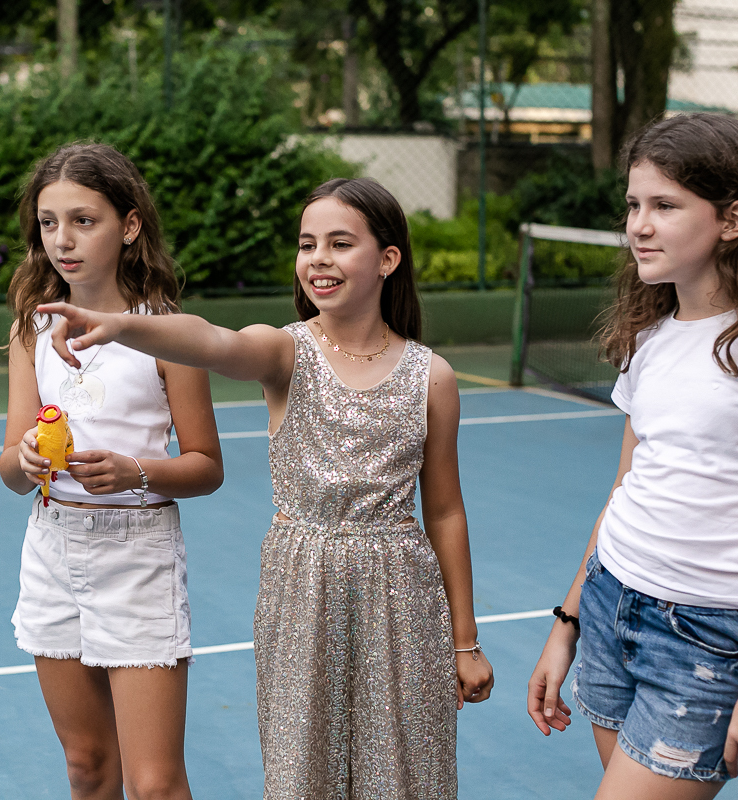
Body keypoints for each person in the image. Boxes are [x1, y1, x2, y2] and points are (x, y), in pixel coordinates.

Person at [38, 177, 494, 799]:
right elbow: (213, 342)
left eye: (340, 243)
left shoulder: (431, 375)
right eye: (307, 245)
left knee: (407, 775)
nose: (319, 260)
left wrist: (463, 639)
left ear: (388, 260)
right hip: (301, 591)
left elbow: (444, 511)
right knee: (302, 775)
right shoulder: (287, 353)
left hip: (402, 599)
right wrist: (120, 326)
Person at [527, 113, 738, 798]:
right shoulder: (649, 338)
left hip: (705, 637)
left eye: (665, 206)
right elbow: (625, 492)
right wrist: (568, 622)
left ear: (733, 219)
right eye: (633, 205)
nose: (638, 225)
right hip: (613, 603)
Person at [0, 142, 224, 800]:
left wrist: (136, 471)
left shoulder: (169, 333)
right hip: (51, 549)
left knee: (153, 784)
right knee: (87, 766)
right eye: (48, 223)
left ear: (129, 227)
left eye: (83, 220)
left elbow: (206, 467)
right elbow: (10, 468)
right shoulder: (30, 332)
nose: (62, 240)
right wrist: (27, 461)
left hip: (138, 558)